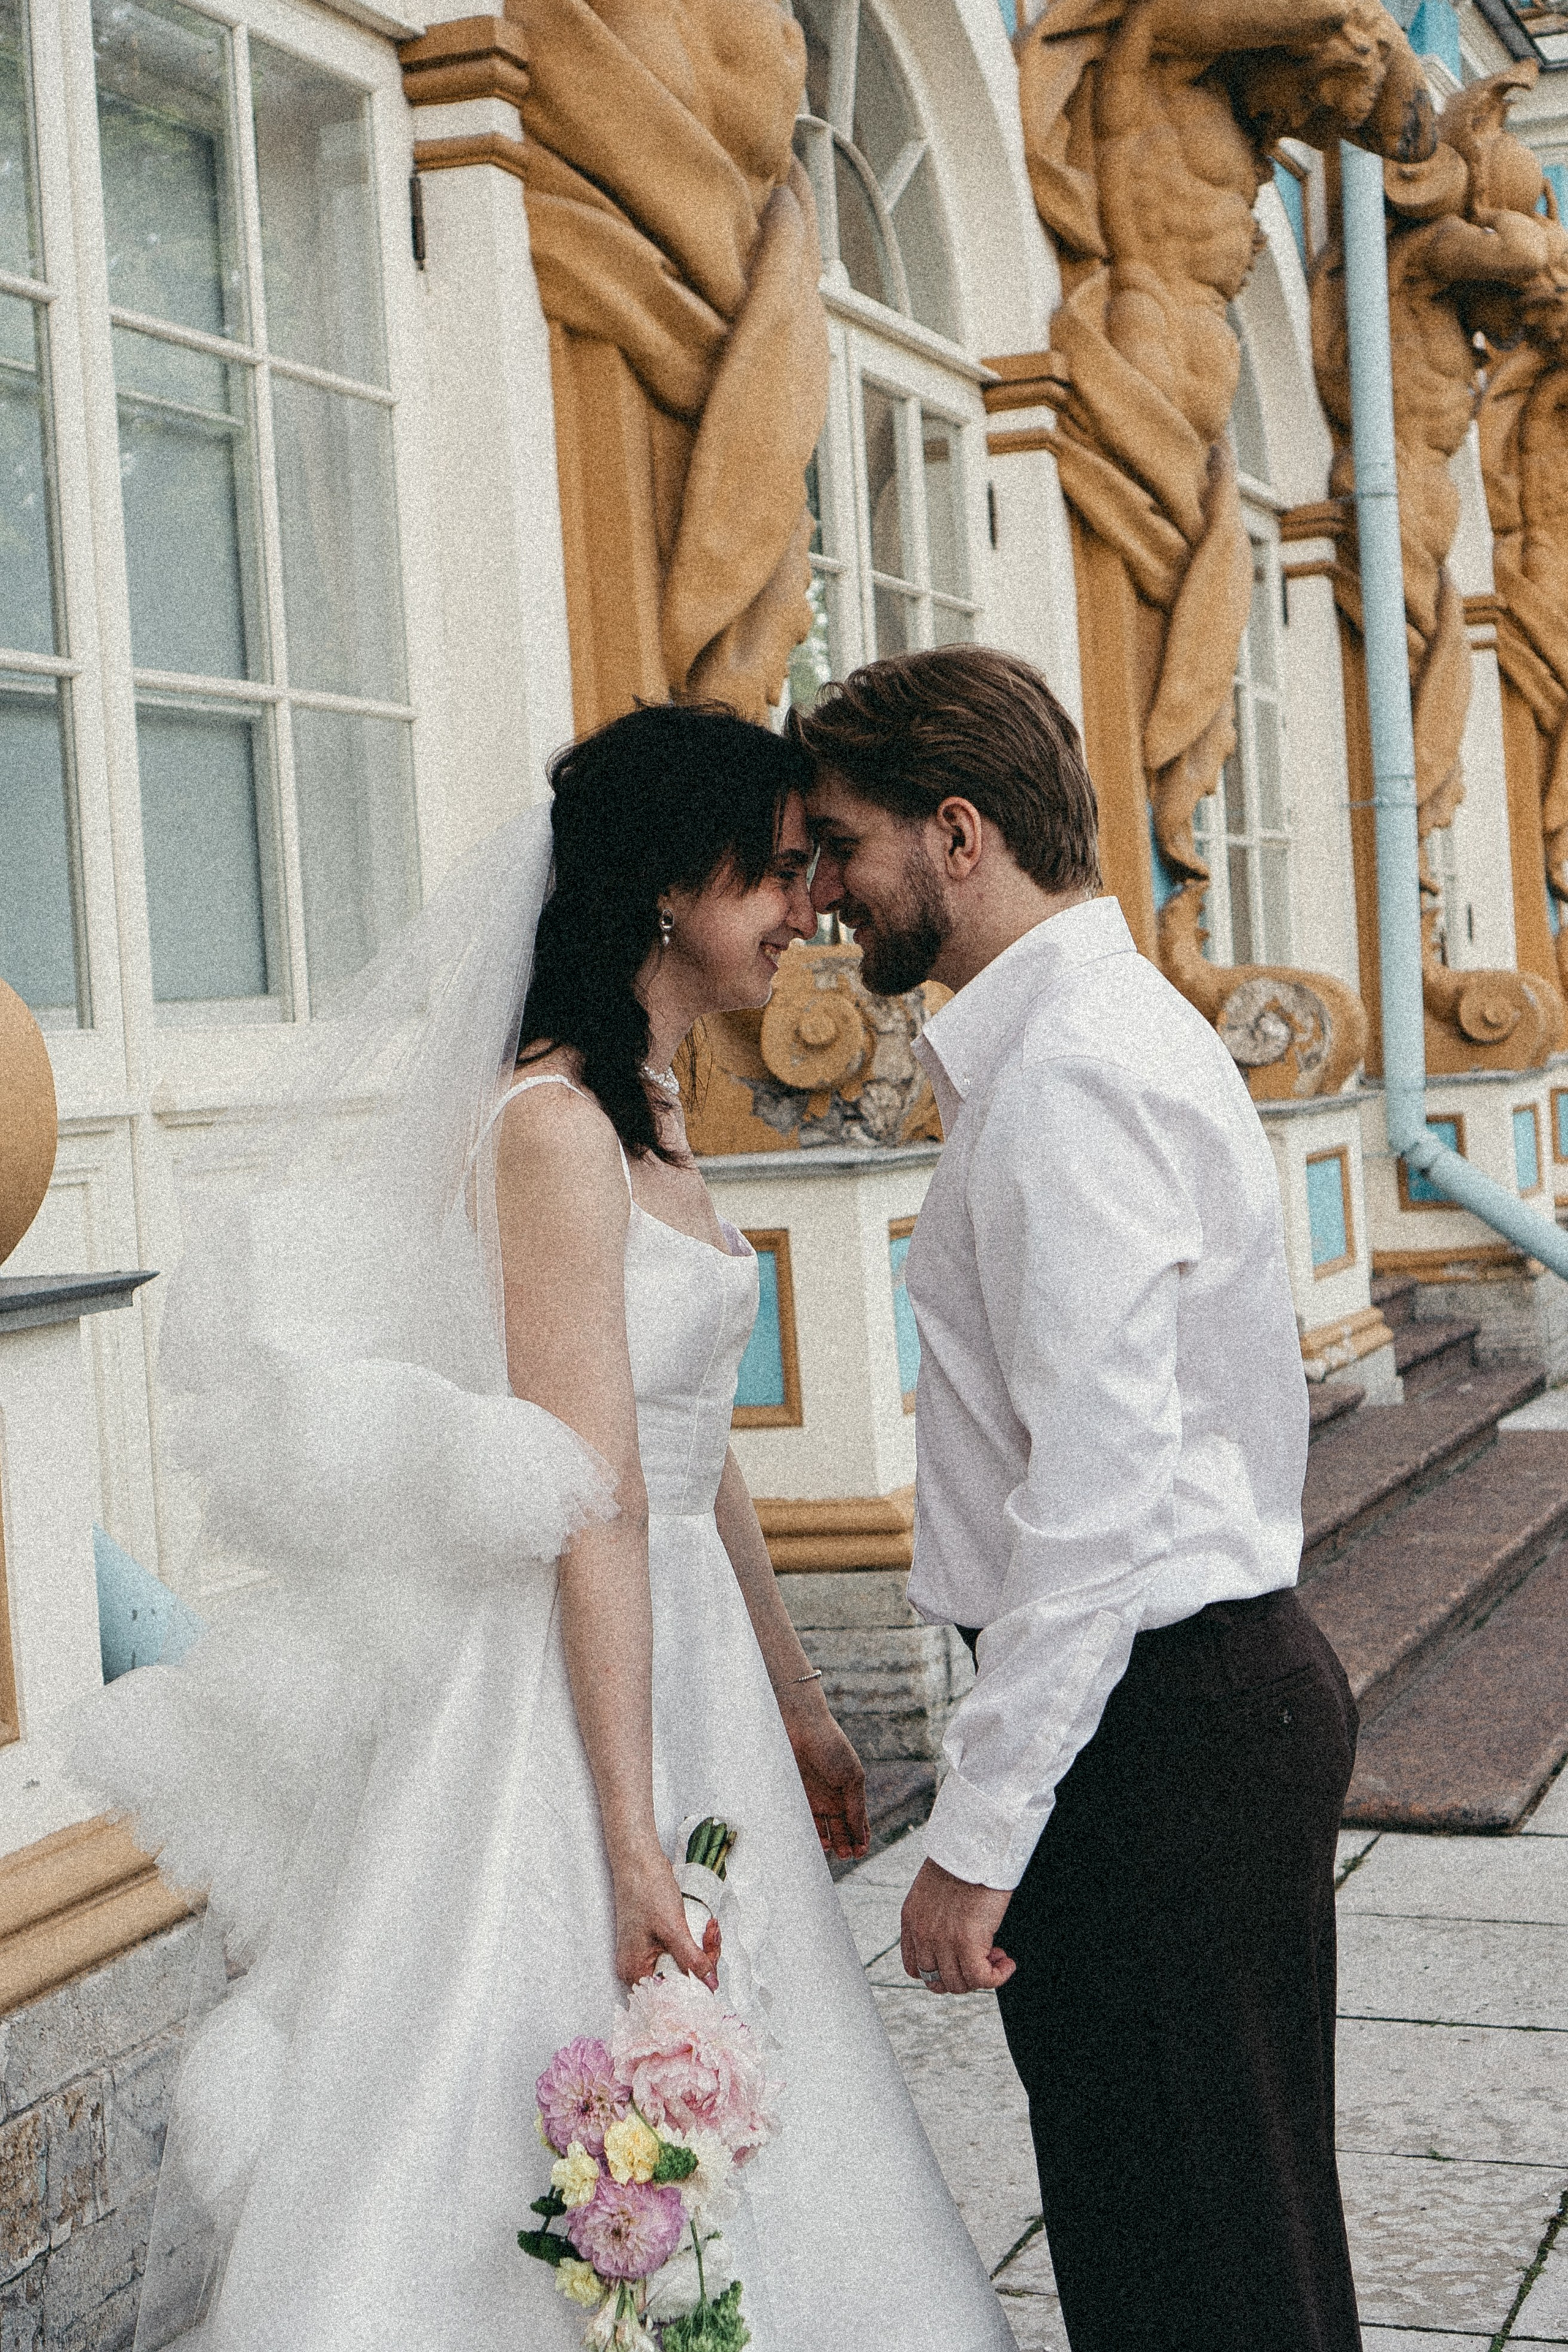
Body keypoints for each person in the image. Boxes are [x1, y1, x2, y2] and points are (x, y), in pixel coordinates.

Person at [71, 703, 1016, 2352]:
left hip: (689, 1648)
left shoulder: (654, 1113)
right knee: (529, 2041)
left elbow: (694, 1452)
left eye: (809, 871)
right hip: (565, 1682)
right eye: (776, 873)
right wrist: (631, 1837)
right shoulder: (555, 1129)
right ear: (668, 888)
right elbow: (594, 1496)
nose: (804, 912)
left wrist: (798, 1695)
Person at [791, 646, 1363, 2352]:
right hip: (1181, 1710)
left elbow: (1096, 1503)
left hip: (1158, 1730)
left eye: (844, 845)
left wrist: (977, 1841)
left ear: (958, 834)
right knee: (1219, 2251)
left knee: (1200, 2276)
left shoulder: (1069, 1075)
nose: (826, 895)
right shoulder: (1085, 1038)